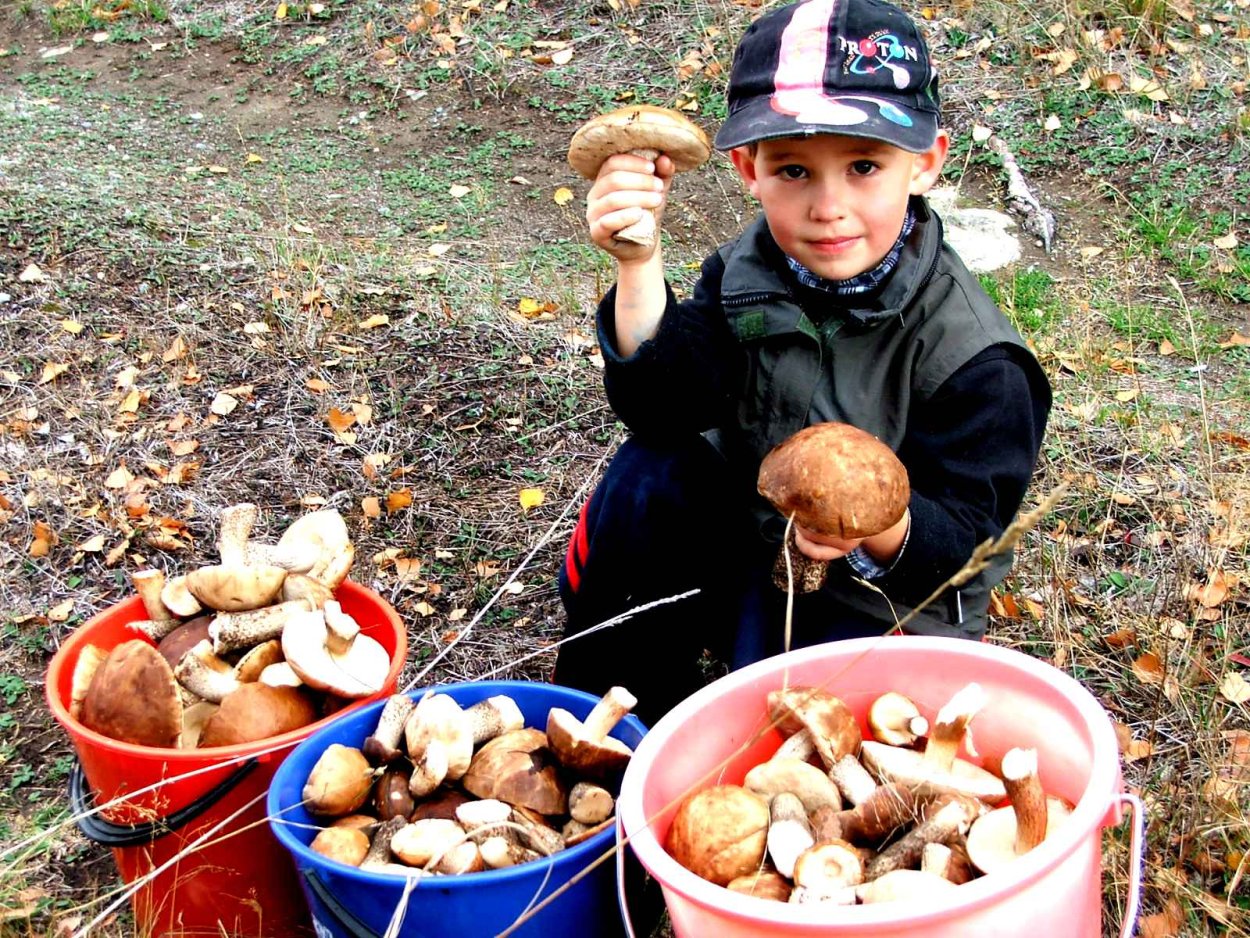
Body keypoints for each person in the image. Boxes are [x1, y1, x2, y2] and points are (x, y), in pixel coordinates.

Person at [553, 0, 1052, 728]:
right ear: (748, 169)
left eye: (863, 166)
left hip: (873, 594)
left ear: (927, 163)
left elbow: (967, 539)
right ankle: (604, 725)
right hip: (749, 543)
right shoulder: (745, 271)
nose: (829, 206)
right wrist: (638, 267)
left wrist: (870, 530)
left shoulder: (976, 359)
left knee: (784, 728)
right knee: (650, 472)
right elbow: (668, 409)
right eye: (793, 168)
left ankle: (753, 717)